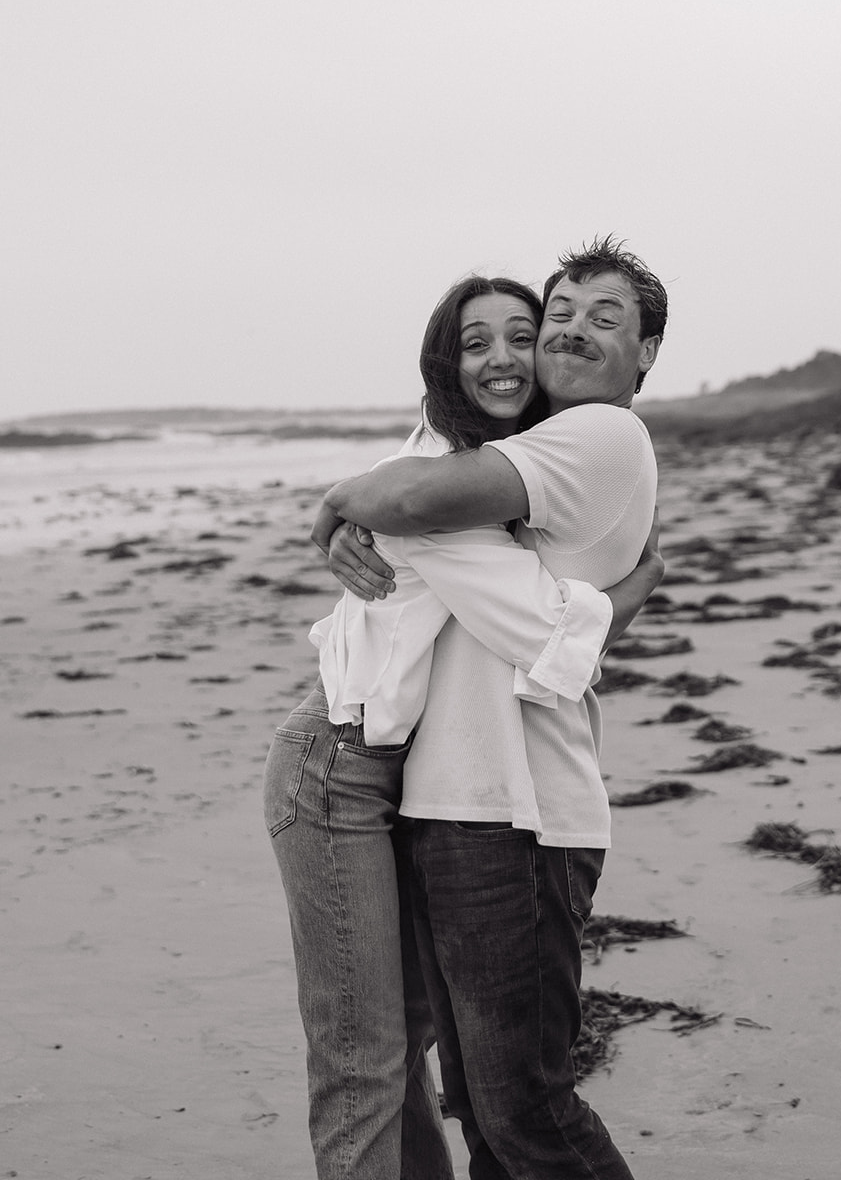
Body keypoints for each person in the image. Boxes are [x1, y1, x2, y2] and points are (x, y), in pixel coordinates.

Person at [264, 270, 663, 1180]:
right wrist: (618, 601)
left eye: (524, 333)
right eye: (479, 341)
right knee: (390, 1061)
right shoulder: (457, 474)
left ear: (644, 354)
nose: (515, 353)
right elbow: (541, 620)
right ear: (446, 361)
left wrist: (344, 499)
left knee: (488, 1093)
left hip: (463, 791)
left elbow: (521, 611)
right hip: (355, 762)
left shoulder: (553, 450)